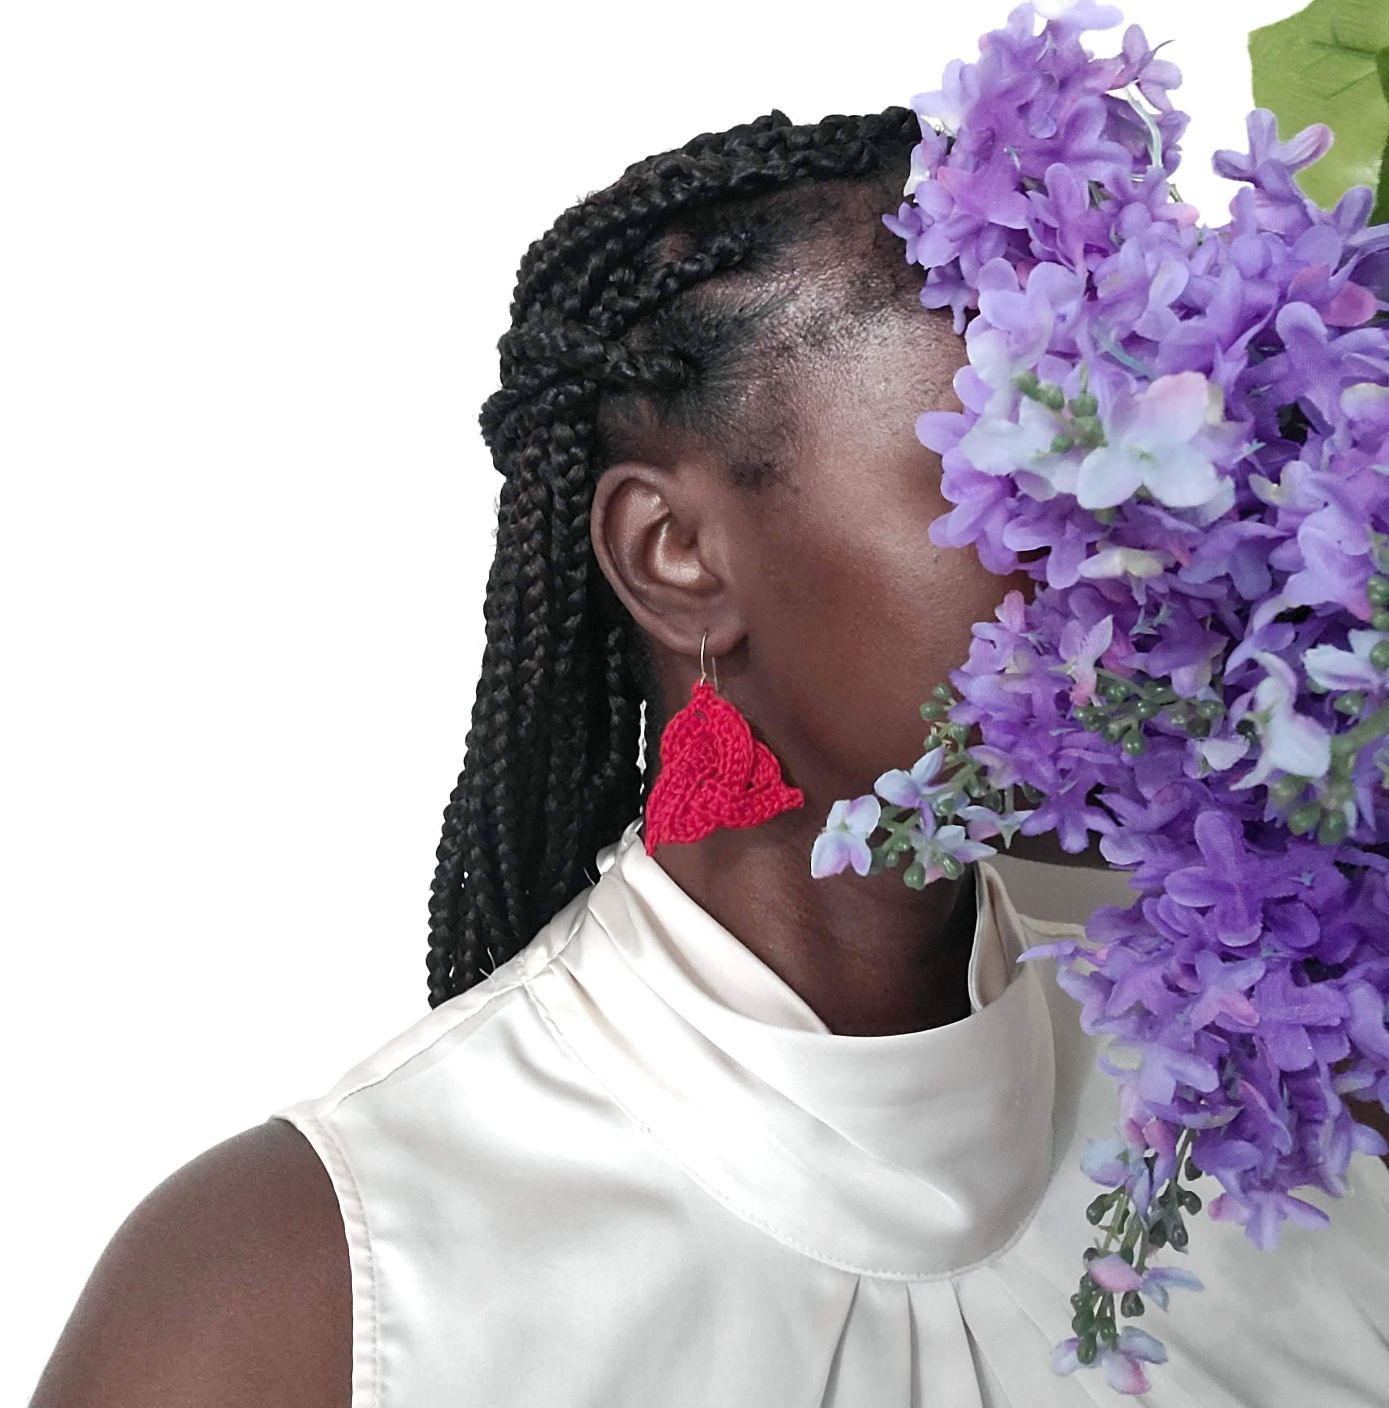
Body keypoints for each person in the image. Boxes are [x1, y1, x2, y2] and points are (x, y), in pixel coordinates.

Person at [30, 106, 1389, 1408]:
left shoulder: (1308, 1118)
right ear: (673, 556)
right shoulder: (296, 1295)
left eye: (1163, 470)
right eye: (1021, 477)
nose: (1148, 563)